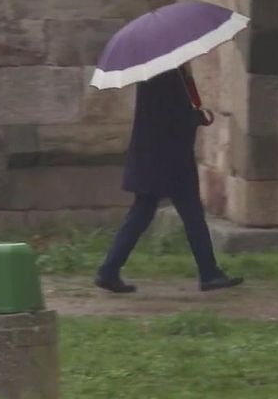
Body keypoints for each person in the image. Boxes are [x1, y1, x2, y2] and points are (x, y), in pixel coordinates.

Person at [95, 65, 243, 293]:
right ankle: (209, 273)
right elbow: (171, 115)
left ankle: (109, 270)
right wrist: (196, 117)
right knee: (189, 213)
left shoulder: (163, 72)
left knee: (145, 213)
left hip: (158, 156)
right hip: (169, 158)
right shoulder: (165, 74)